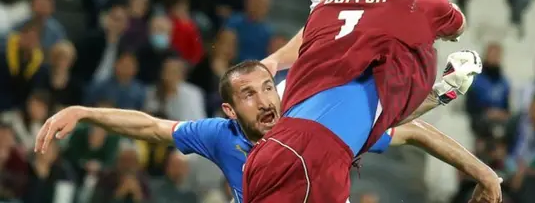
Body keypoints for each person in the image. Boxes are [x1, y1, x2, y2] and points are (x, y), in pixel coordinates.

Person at [242, 0, 500, 202]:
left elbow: (380, 119)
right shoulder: (413, 0)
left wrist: (442, 94)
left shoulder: (325, 12)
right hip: (316, 160)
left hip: (266, 153)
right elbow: (457, 24)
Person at [35, 61, 501, 202]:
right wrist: (84, 110)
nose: (265, 102)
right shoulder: (220, 136)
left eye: (267, 88)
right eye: (249, 96)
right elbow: (152, 126)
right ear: (229, 108)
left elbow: (410, 131)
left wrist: (484, 173)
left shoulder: (314, 126)